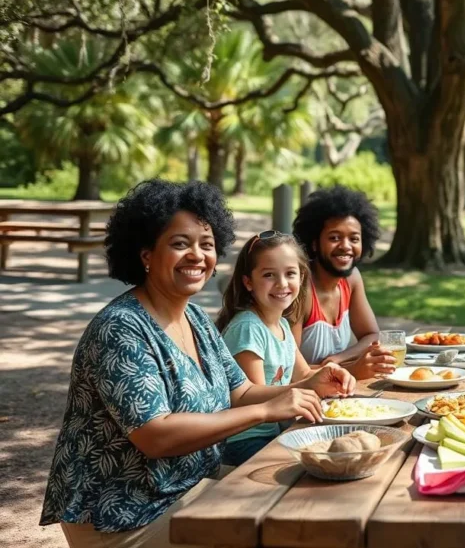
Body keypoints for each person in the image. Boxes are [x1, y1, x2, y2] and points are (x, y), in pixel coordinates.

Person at [40, 179, 357, 548]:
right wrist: (266, 411)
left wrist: (307, 386)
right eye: (179, 244)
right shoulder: (121, 328)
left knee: (312, 500)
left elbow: (242, 392)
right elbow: (156, 436)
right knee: (285, 532)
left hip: (188, 488)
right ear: (146, 254)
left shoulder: (194, 317)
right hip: (126, 516)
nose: (196, 255)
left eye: (206, 244)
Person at [216, 231, 317, 466]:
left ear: (301, 277)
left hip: (271, 432)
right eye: (269, 275)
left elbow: (305, 375)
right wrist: (310, 386)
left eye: (290, 273)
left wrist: (339, 374)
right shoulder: (248, 328)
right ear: (248, 282)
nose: (282, 283)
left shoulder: (281, 324)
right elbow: (252, 396)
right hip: (243, 439)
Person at [292, 186, 394, 378]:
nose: (346, 246)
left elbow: (372, 335)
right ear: (314, 243)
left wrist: (339, 358)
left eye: (354, 238)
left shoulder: (351, 279)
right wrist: (351, 369)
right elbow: (288, 368)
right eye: (334, 238)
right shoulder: (300, 289)